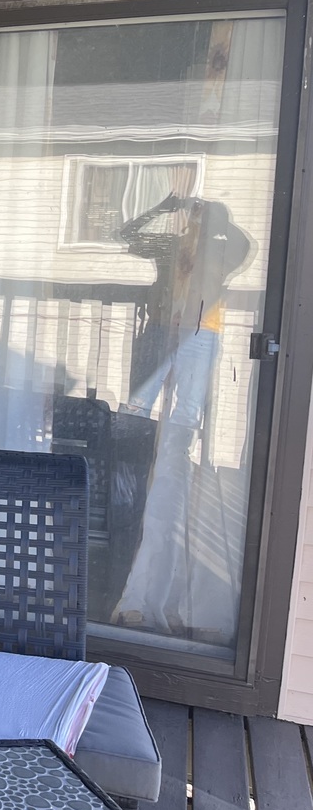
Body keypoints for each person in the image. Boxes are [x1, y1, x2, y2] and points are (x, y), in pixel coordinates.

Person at [113, 191, 250, 637]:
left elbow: (247, 244)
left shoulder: (221, 252)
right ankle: (140, 465)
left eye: (198, 218)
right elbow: (124, 235)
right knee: (143, 422)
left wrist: (214, 216)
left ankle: (151, 593)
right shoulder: (173, 248)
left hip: (198, 339)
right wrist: (165, 207)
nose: (193, 221)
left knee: (177, 436)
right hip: (166, 334)